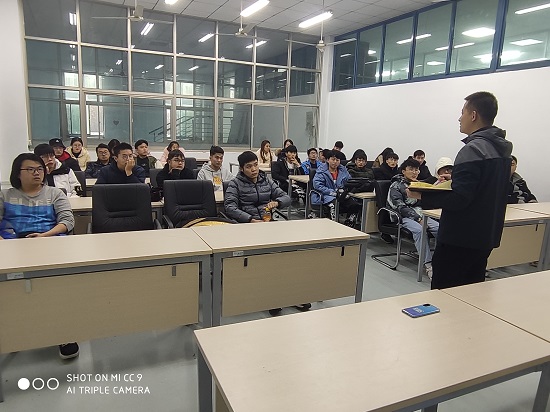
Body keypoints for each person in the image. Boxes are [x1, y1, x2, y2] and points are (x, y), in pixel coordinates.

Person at [408, 91, 513, 289]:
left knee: (445, 293)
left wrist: (422, 195)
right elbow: (486, 188)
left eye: (462, 112)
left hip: (460, 238)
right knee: (471, 293)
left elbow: (459, 199)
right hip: (486, 235)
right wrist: (456, 178)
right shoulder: (502, 150)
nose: (459, 118)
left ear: (473, 115)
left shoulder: (473, 149)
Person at [0, 153, 79, 359]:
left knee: (58, 288)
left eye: (40, 169)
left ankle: (64, 332)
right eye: (31, 169)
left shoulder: (54, 193)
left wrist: (44, 236)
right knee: (11, 290)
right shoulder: (5, 195)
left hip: (49, 243)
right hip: (12, 246)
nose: (37, 173)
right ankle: (14, 331)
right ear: (18, 173)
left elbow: (67, 221)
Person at [387, 158, 439, 279]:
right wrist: (418, 219)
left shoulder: (417, 184)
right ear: (403, 171)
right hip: (402, 217)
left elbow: (425, 202)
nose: (414, 172)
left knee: (440, 228)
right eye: (411, 169)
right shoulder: (396, 185)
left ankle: (441, 259)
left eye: (416, 170)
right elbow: (400, 207)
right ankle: (428, 265)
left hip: (420, 214)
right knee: (420, 230)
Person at [224, 151, 290, 223]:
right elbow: (230, 207)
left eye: (256, 165)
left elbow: (286, 198)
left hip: (267, 220)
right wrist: (249, 219)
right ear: (241, 169)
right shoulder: (235, 183)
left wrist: (277, 202)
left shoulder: (266, 180)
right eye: (249, 167)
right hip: (246, 222)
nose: (254, 169)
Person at [312, 150, 361, 226]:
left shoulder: (343, 170)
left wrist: (346, 190)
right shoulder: (321, 171)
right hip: (326, 195)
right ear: (327, 160)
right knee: (333, 204)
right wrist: (332, 192)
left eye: (337, 160)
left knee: (354, 204)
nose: (335, 162)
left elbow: (349, 181)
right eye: (333, 159)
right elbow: (318, 185)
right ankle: (333, 225)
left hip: (341, 195)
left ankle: (349, 223)